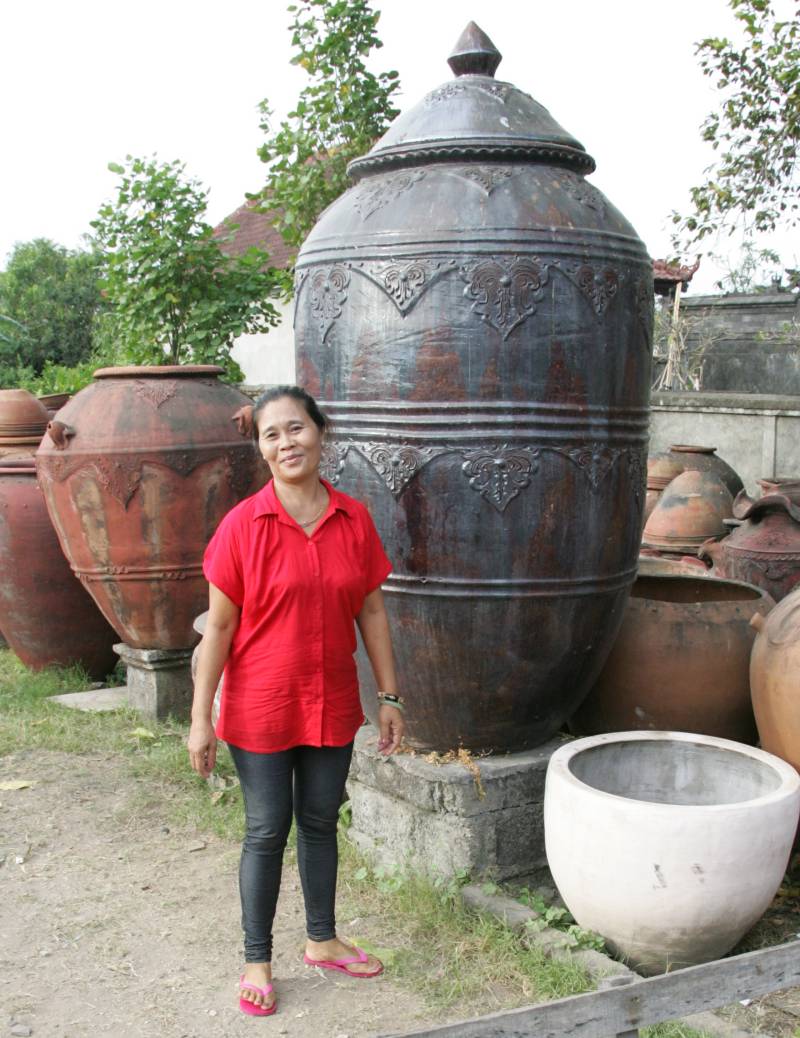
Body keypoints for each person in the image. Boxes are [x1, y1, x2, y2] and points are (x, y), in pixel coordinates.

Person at [187, 385, 404, 1017]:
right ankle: (257, 959)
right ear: (260, 448)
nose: (287, 443)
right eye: (271, 434)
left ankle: (322, 939)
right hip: (260, 706)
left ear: (320, 431)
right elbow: (219, 629)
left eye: (296, 428)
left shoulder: (353, 519)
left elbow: (372, 609)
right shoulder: (242, 527)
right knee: (265, 829)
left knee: (319, 821)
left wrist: (389, 694)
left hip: (331, 700)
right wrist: (202, 719)